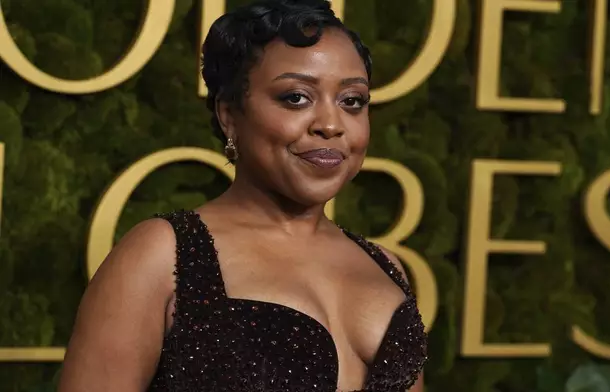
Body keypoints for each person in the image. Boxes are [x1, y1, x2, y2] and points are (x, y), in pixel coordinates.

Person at [57, 0, 428, 391]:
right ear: (229, 115)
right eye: (296, 97)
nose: (331, 125)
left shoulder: (386, 266)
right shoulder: (162, 255)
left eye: (352, 101)